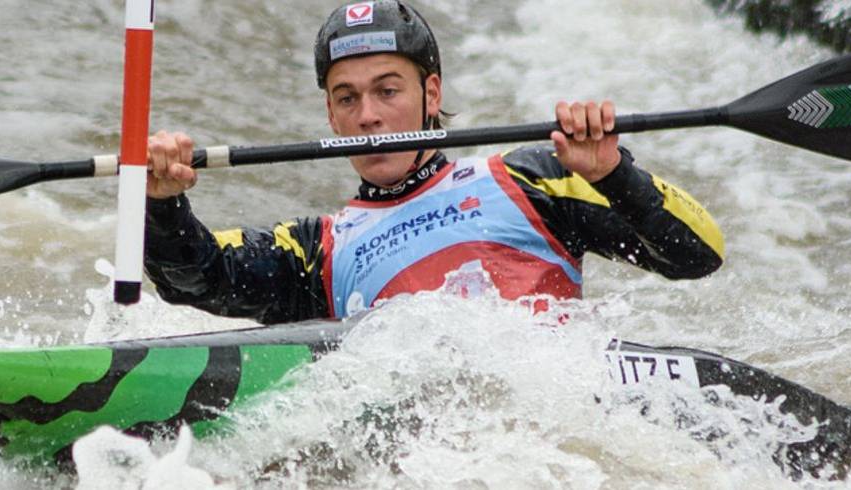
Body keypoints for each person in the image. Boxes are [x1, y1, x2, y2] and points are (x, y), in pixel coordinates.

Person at [142, 0, 723, 324]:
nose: (368, 115)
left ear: (432, 94)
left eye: (387, 90)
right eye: (347, 98)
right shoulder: (318, 250)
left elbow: (698, 257)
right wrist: (162, 202)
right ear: (331, 117)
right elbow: (196, 276)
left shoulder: (531, 179)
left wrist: (612, 173)